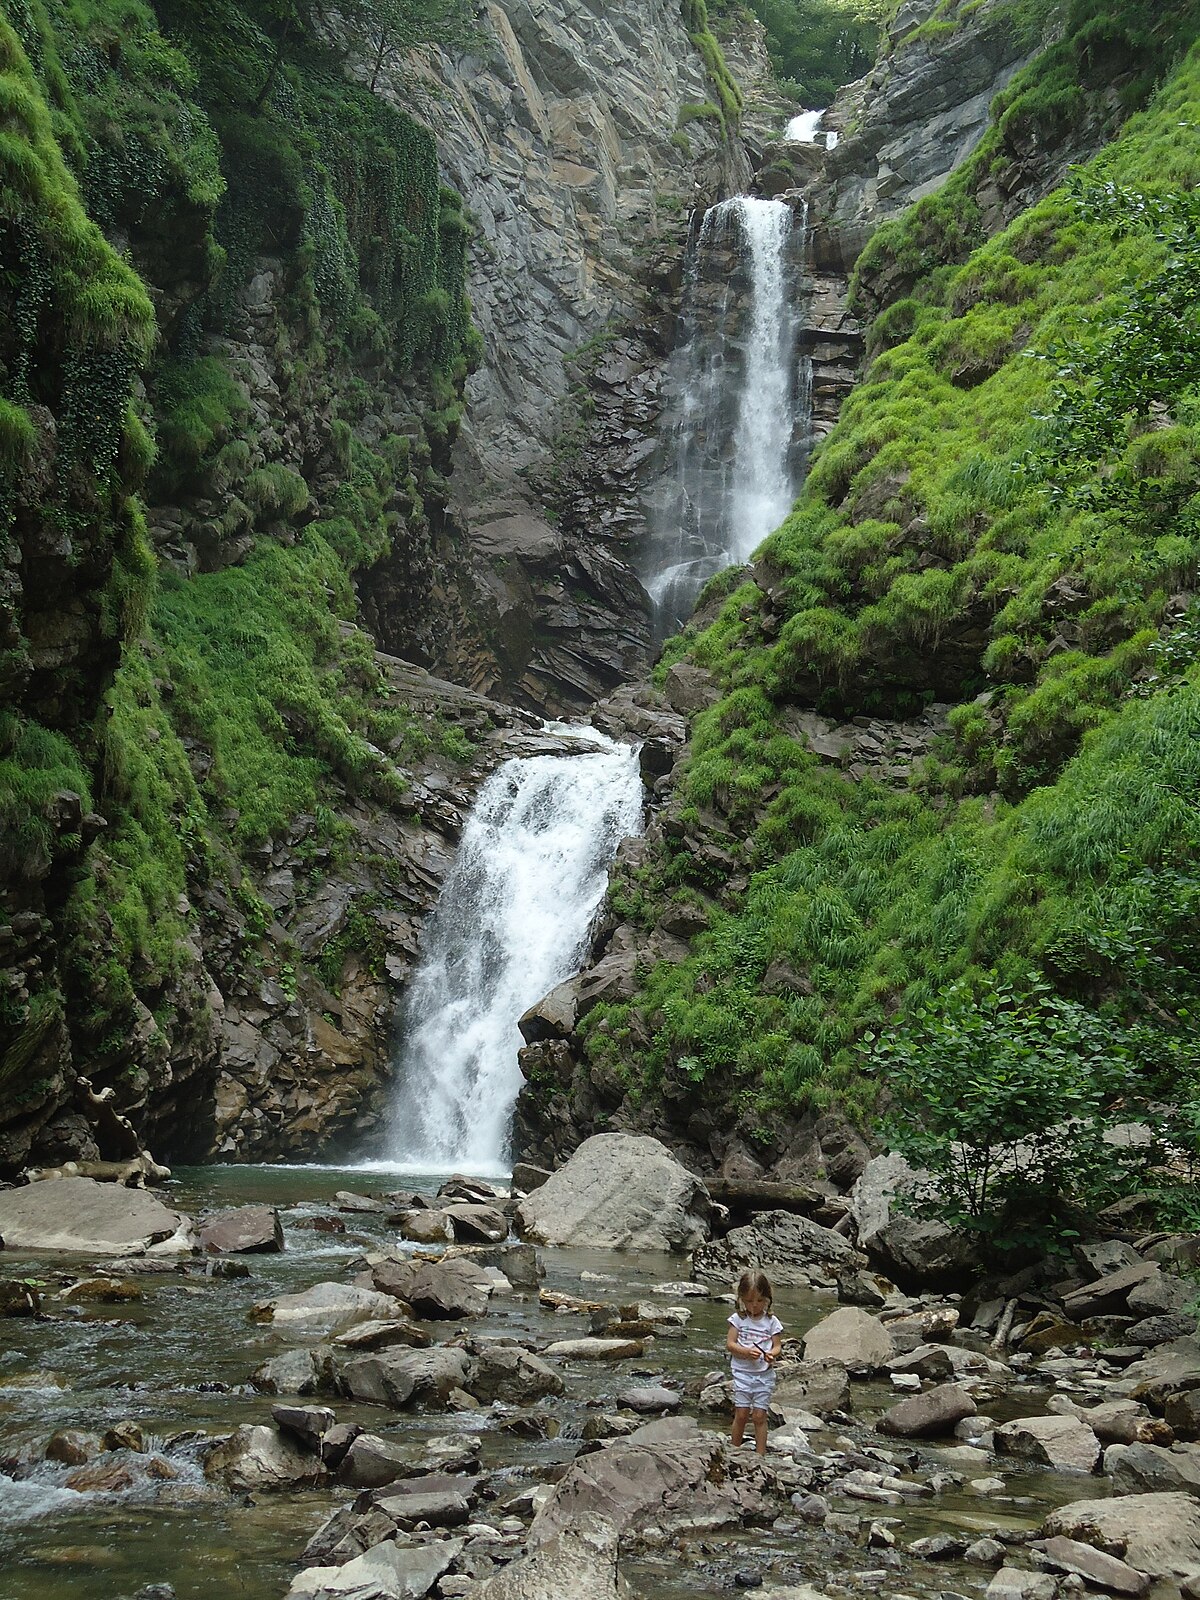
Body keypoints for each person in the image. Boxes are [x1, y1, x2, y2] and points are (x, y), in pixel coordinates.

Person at [726, 1268, 783, 1454]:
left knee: (759, 1415)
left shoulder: (771, 1321)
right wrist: (745, 1351)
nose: (754, 1306)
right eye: (749, 1301)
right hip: (742, 1373)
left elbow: (777, 1346)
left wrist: (771, 1355)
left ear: (767, 1299)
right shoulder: (738, 1320)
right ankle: (734, 1451)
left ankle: (760, 1455)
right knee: (741, 1414)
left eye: (759, 1301)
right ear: (741, 1299)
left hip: (764, 1375)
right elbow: (730, 1344)